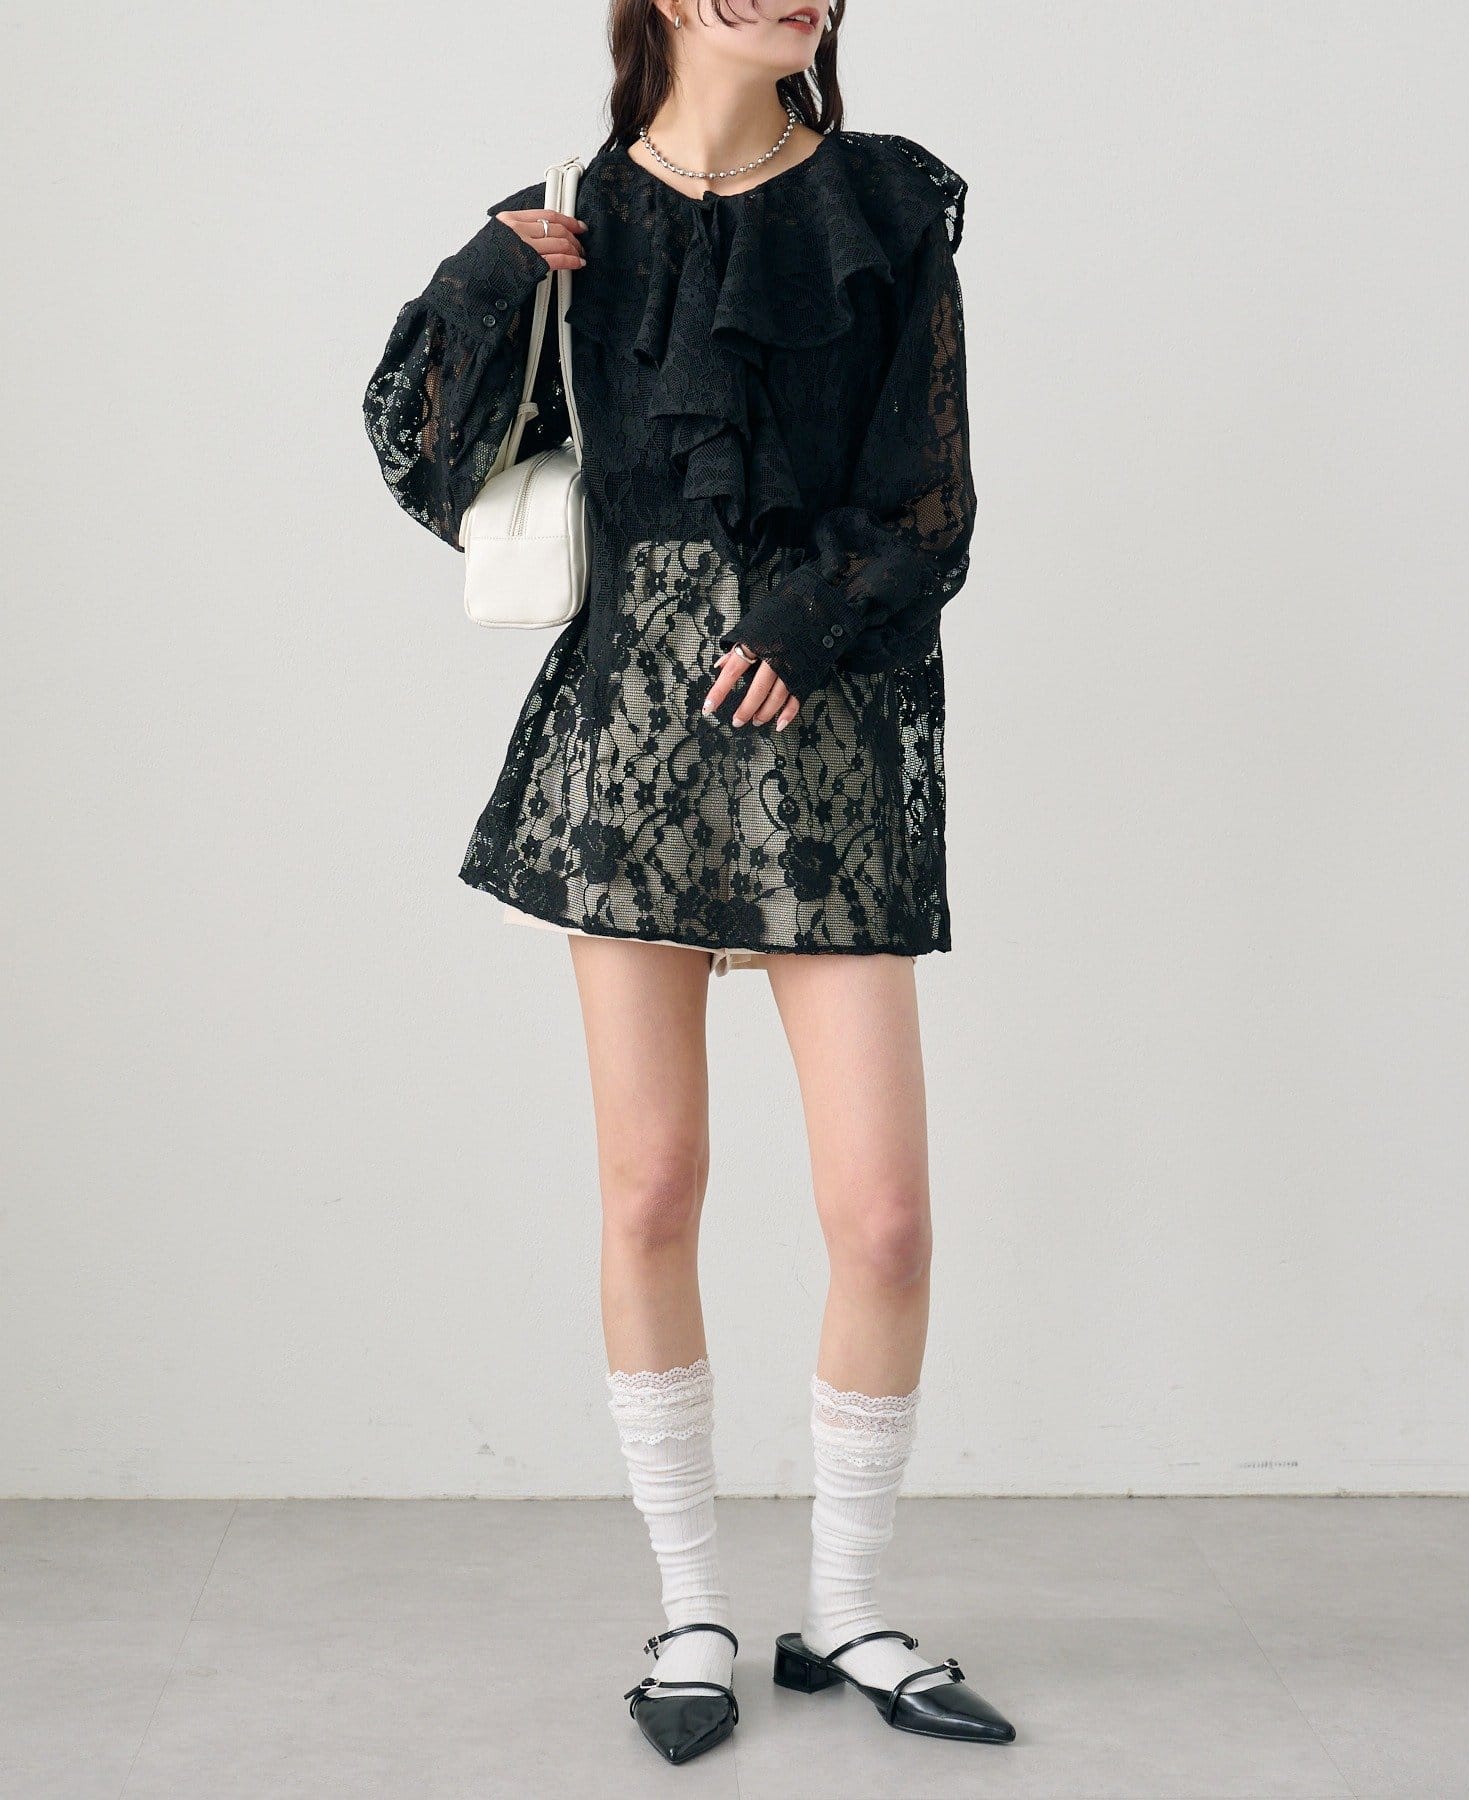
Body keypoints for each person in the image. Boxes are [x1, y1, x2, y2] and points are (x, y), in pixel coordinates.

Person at [362, 0, 1014, 1767]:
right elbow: (423, 455)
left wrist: (807, 624)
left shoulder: (884, 204)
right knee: (652, 1189)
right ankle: (691, 1610)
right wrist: (490, 276)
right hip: (630, 741)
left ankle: (850, 1606)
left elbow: (933, 503)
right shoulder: (575, 215)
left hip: (824, 729)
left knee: (883, 1215)